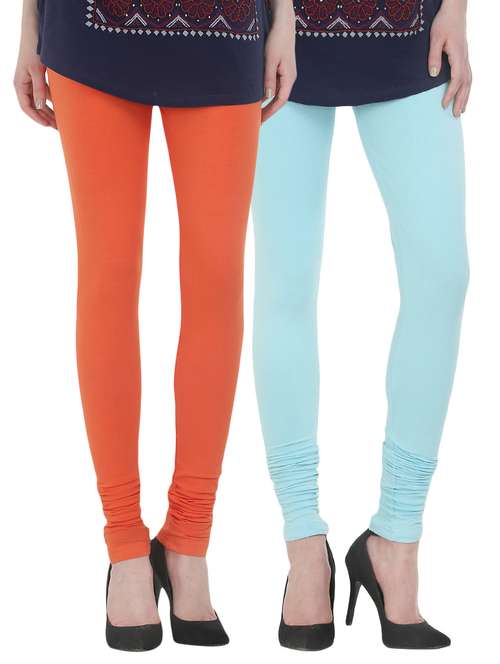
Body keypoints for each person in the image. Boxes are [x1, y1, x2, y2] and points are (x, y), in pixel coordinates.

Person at [14, 0, 296, 651]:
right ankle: (125, 545)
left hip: (226, 27)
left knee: (217, 278)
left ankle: (188, 539)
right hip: (89, 29)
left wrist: (284, 18)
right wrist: (28, 27)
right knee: (109, 274)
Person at [252, 0, 471, 650]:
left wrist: (458, 8)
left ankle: (396, 539)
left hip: (409, 28)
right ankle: (303, 545)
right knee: (285, 281)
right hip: (276, 31)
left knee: (442, 274)